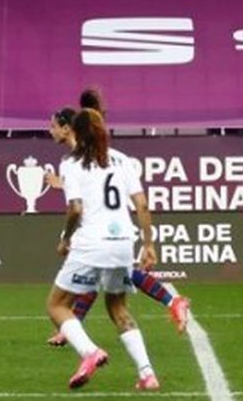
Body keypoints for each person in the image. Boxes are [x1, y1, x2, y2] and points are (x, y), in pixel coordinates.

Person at [43, 91, 191, 347]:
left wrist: (64, 188)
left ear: (68, 129)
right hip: (111, 224)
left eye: (53, 126)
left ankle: (73, 327)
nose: (50, 131)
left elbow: (85, 193)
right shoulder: (89, 155)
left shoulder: (78, 157)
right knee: (96, 274)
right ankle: (72, 326)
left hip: (100, 224)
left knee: (93, 272)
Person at [47, 107, 161, 390]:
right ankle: (147, 374)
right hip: (123, 242)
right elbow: (142, 204)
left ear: (76, 131)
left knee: (57, 305)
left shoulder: (72, 163)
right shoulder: (122, 160)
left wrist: (65, 238)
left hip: (91, 243)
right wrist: (148, 244)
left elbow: (75, 208)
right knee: (118, 308)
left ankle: (90, 352)